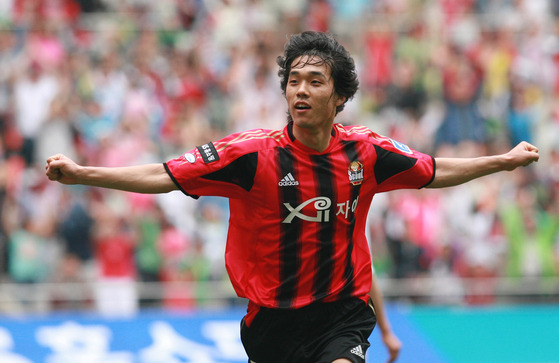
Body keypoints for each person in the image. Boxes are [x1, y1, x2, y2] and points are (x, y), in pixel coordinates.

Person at [45, 31, 539, 363]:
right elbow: (163, 174)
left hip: (340, 312)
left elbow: (433, 170)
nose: (300, 91)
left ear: (339, 96)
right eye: (293, 81)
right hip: (272, 324)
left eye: (315, 82)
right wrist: (83, 173)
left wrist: (502, 160)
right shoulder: (249, 155)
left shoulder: (366, 152)